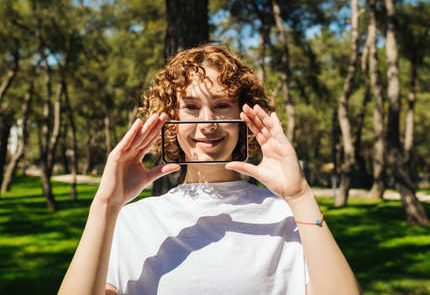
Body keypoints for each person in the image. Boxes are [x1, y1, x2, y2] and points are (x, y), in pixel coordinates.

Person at [58, 45, 360, 295]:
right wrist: (105, 205)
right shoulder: (132, 220)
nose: (207, 123)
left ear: (244, 116)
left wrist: (300, 196)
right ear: (171, 119)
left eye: (221, 105)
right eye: (191, 107)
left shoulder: (286, 216)